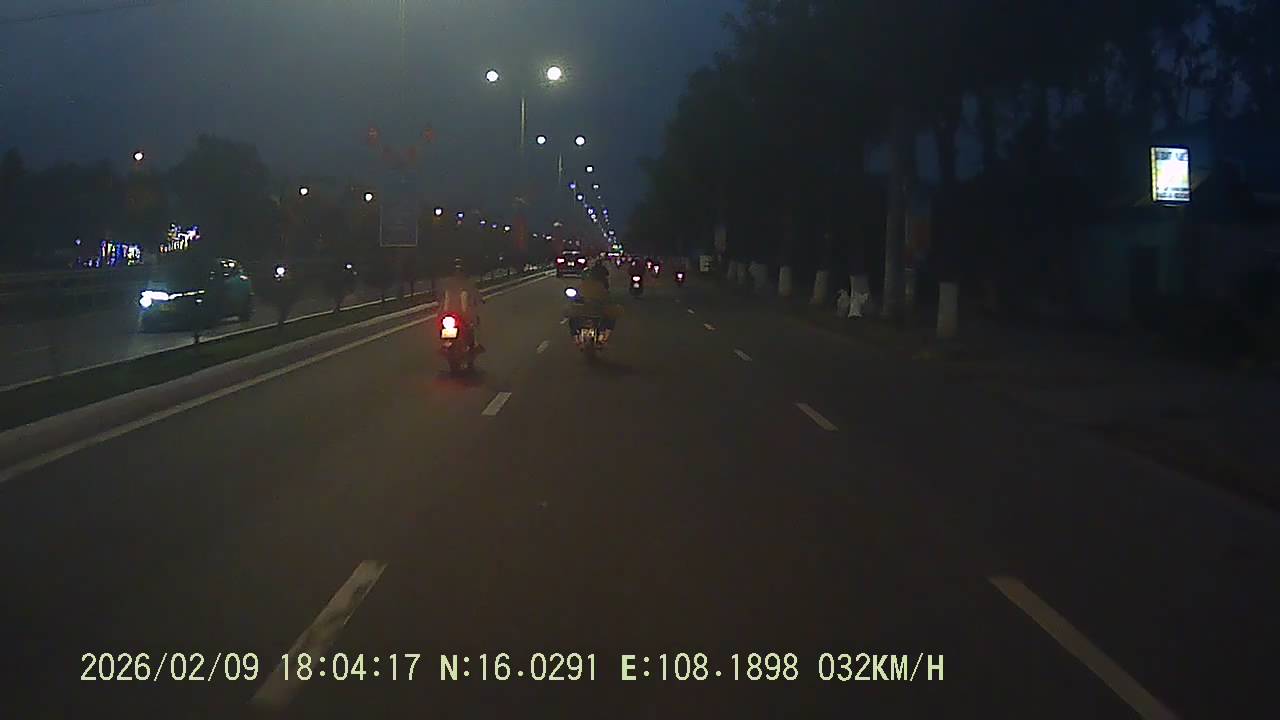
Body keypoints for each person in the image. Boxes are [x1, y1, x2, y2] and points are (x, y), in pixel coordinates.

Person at [567, 259, 620, 342]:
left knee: (611, 316)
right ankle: (577, 337)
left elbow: (607, 298)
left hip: (596, 311)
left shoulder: (600, 287)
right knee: (572, 317)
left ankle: (603, 337)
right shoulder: (581, 287)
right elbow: (574, 299)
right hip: (585, 310)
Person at [439, 258, 484, 352]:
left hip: (455, 311)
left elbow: (475, 293)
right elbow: (442, 295)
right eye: (457, 269)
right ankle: (470, 343)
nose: (458, 272)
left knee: (471, 322)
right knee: (471, 322)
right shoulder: (463, 282)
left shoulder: (454, 282)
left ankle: (470, 343)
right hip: (454, 312)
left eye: (459, 270)